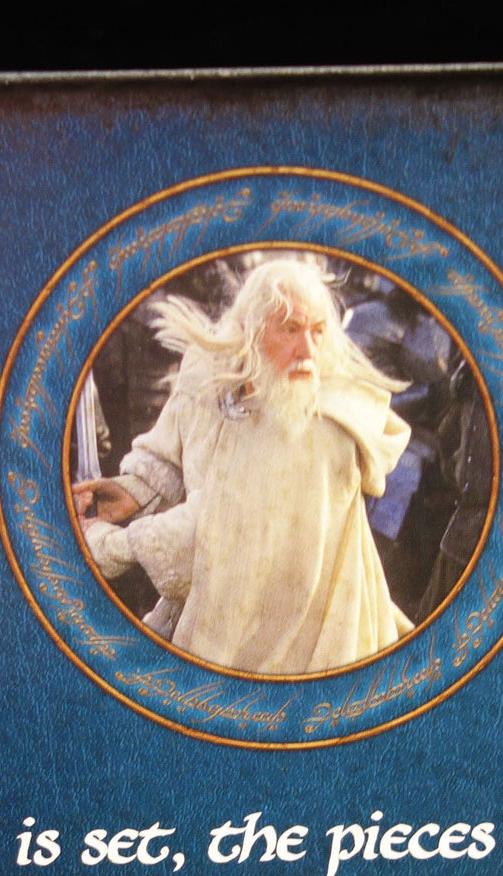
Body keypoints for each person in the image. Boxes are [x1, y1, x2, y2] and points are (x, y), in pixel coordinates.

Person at [75, 255, 414, 675]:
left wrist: (108, 545)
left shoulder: (320, 433)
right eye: (290, 329)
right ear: (251, 330)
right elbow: (178, 446)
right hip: (236, 625)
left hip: (303, 650)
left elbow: (217, 529)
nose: (308, 350)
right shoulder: (219, 382)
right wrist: (133, 490)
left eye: (317, 331)